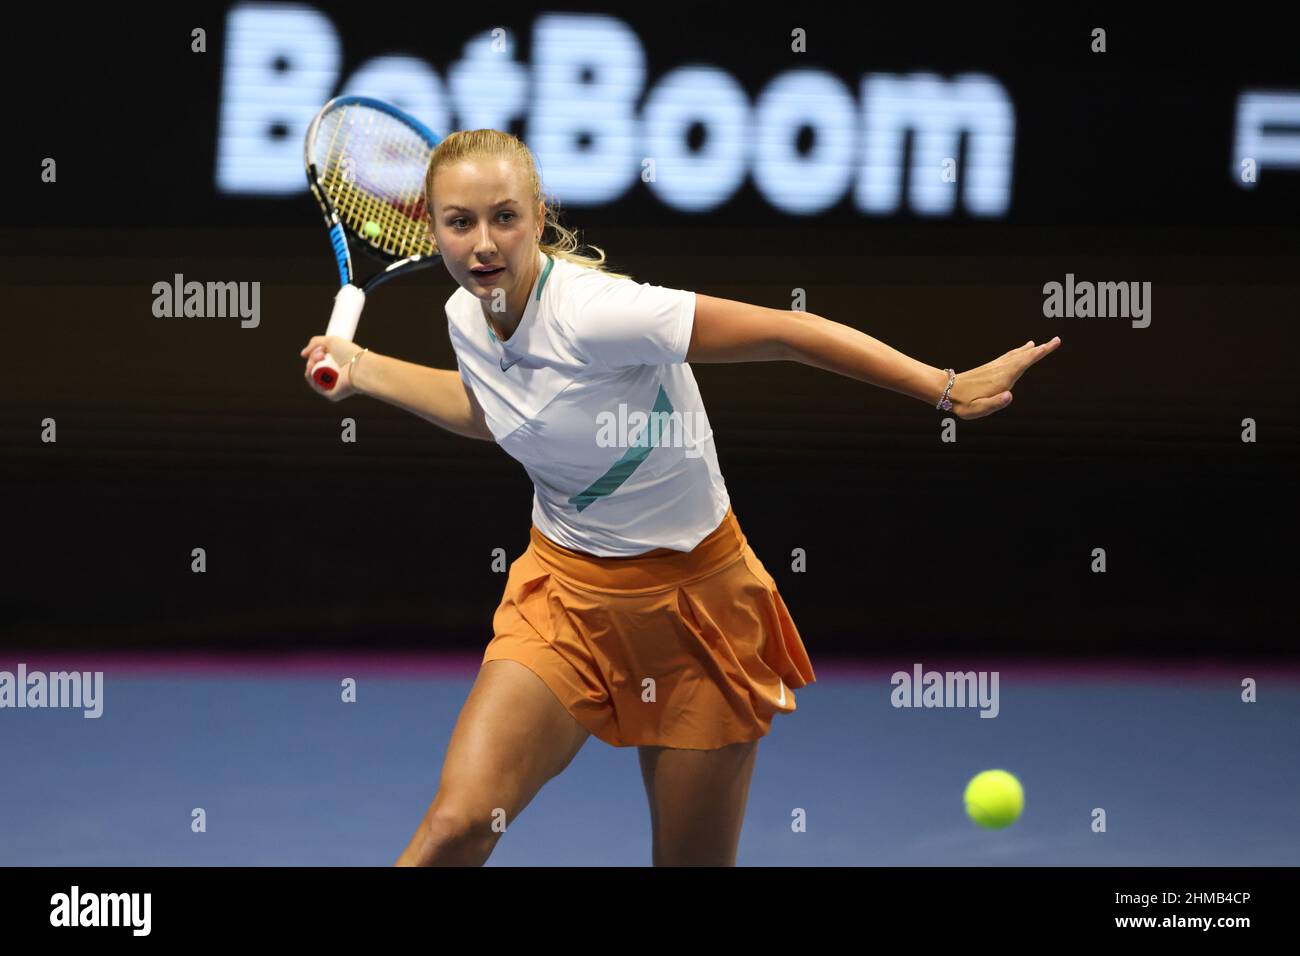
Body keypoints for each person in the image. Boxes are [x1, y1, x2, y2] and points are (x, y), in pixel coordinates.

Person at [299, 129, 1062, 867]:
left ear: (539, 215)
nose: (485, 243)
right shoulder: (466, 315)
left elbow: (788, 332)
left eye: (505, 217)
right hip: (562, 599)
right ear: (429, 229)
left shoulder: (603, 314)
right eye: (460, 223)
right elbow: (494, 410)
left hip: (698, 610)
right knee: (457, 826)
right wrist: (361, 367)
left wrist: (944, 386)